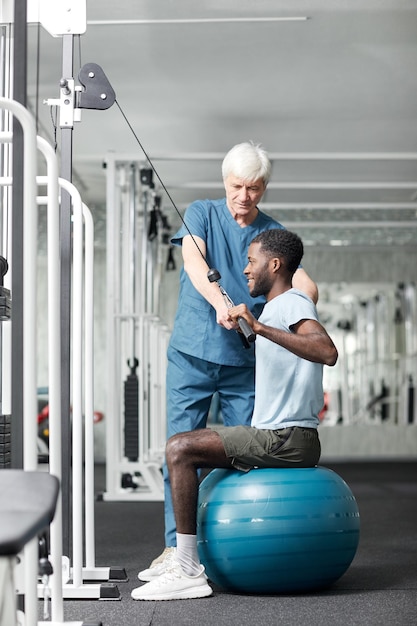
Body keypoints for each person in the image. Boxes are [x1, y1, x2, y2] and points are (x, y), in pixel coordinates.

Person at [139, 142, 319, 581]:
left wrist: (286, 309)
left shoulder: (271, 232)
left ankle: (227, 542)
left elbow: (308, 287)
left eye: (254, 188)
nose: (244, 196)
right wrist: (221, 300)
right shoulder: (201, 212)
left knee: (243, 457)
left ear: (264, 188)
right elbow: (194, 262)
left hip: (243, 362)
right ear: (225, 183)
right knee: (179, 451)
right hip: (192, 355)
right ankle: (175, 550)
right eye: (237, 186)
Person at [132, 228, 338, 601]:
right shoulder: (276, 308)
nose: (245, 270)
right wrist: (253, 328)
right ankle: (188, 559)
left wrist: (259, 327)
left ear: (274, 265)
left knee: (180, 448)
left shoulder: (292, 303)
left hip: (286, 437)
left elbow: (327, 351)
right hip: (284, 435)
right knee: (205, 457)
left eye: (251, 260)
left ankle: (188, 568)